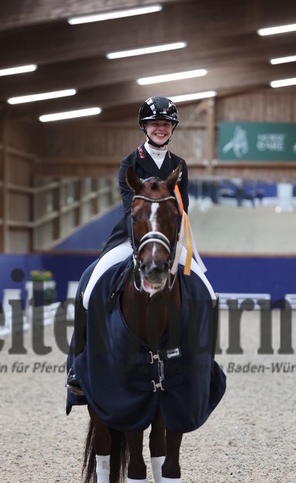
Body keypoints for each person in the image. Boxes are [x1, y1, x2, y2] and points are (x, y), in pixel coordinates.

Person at [67, 96, 216, 395]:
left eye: (166, 124)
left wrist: (173, 239)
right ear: (144, 127)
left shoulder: (179, 166)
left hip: (169, 241)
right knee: (89, 287)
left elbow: (182, 208)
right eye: (155, 123)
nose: (160, 128)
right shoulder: (130, 163)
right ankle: (78, 365)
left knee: (209, 294)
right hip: (132, 238)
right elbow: (130, 208)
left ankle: (205, 366)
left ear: (172, 128)